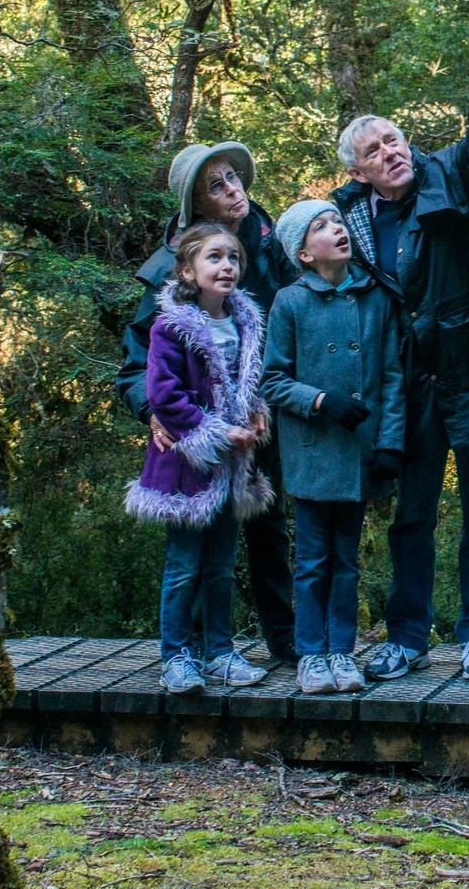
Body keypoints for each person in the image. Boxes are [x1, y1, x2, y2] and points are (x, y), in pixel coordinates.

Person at [334, 26, 469, 683]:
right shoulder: (350, 220)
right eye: (373, 150)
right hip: (410, 385)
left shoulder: (453, 173)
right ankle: (407, 635)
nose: (389, 152)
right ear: (358, 169)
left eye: (393, 139)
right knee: (413, 516)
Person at [114, 141, 298, 666]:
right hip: (195, 431)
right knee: (195, 541)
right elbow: (137, 367)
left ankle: (283, 641)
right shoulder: (168, 277)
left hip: (264, 418)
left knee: (269, 526)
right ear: (197, 206)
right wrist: (153, 414)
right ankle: (188, 650)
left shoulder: (272, 245)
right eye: (216, 185)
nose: (234, 190)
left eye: (235, 178)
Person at [262, 200, 406, 695]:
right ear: (303, 253)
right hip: (311, 449)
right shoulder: (290, 301)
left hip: (360, 453)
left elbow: (391, 377)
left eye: (338, 222)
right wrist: (321, 400)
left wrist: (389, 443)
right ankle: (310, 655)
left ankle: (341, 652)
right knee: (311, 560)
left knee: (347, 561)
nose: (336, 231)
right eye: (320, 228)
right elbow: (273, 381)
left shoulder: (377, 298)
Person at [126, 222, 276, 693]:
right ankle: (177, 656)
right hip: (187, 466)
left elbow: (247, 384)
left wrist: (255, 415)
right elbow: (163, 394)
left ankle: (220, 652)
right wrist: (213, 431)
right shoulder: (171, 326)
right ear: (189, 269)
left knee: (220, 565)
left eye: (233, 258)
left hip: (233, 467)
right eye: (214, 257)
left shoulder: (246, 321)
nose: (226, 266)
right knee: (184, 565)